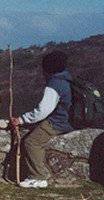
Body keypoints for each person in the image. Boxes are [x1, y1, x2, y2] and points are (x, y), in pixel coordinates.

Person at [10, 51, 74, 188]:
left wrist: (21, 120)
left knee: (32, 142)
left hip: (58, 122)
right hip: (68, 120)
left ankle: (38, 177)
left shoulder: (54, 84)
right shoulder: (66, 79)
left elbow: (43, 110)